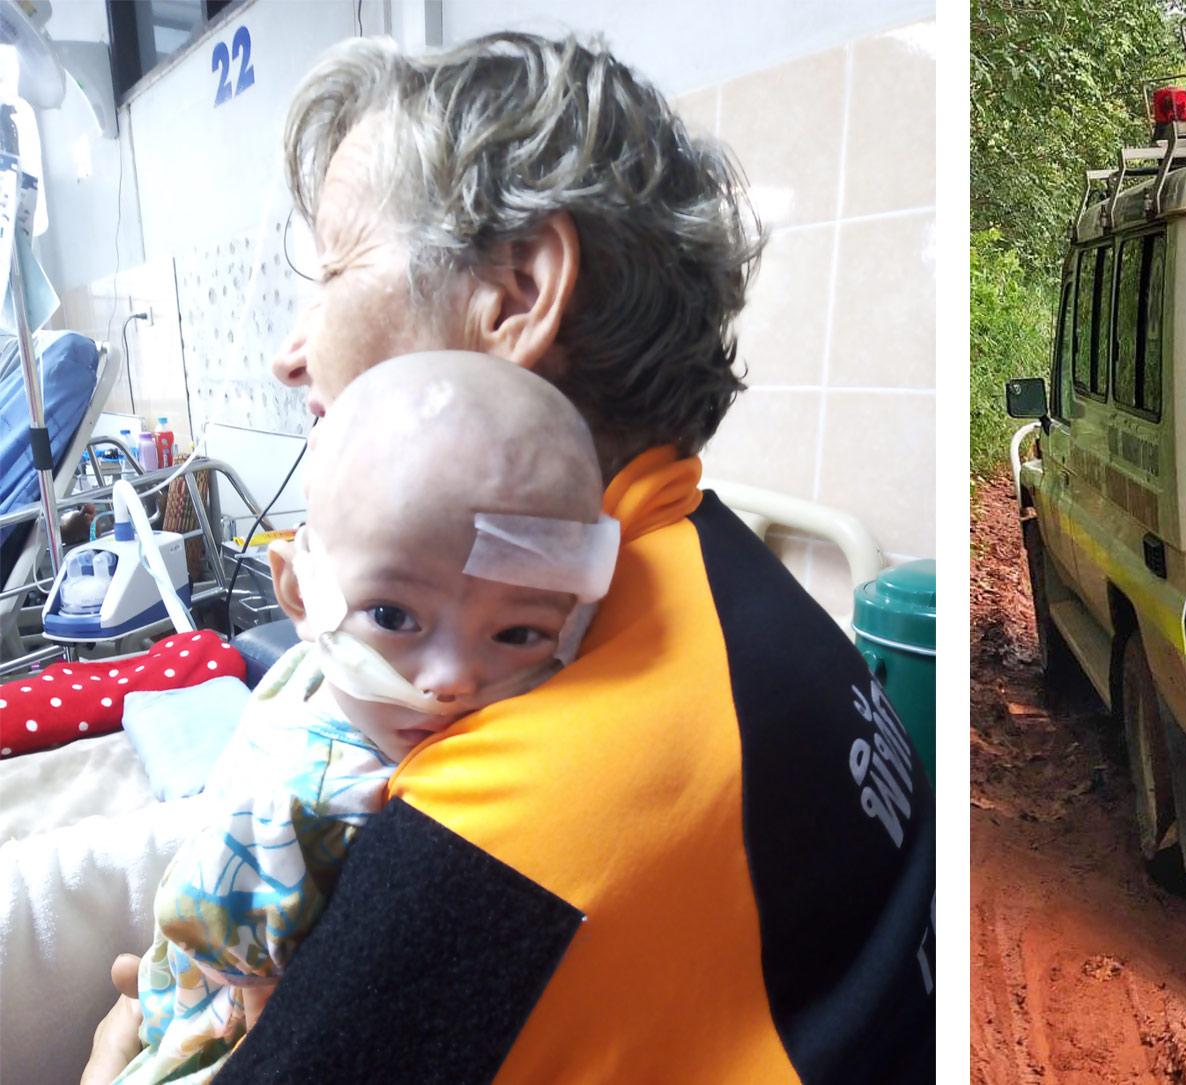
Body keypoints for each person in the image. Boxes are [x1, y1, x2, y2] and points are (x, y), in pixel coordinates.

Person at [83, 31, 933, 1084]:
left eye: (337, 269)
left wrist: (105, 1057)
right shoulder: (738, 590)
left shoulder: (515, 801)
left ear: (518, 293)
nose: (290, 352)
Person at [115, 352, 615, 1084]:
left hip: (215, 941)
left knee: (169, 975)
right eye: (392, 615)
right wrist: (239, 994)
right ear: (296, 593)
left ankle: (153, 982)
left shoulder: (309, 669)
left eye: (517, 633)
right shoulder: (319, 794)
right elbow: (213, 925)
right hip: (241, 991)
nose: (450, 681)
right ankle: (154, 1000)